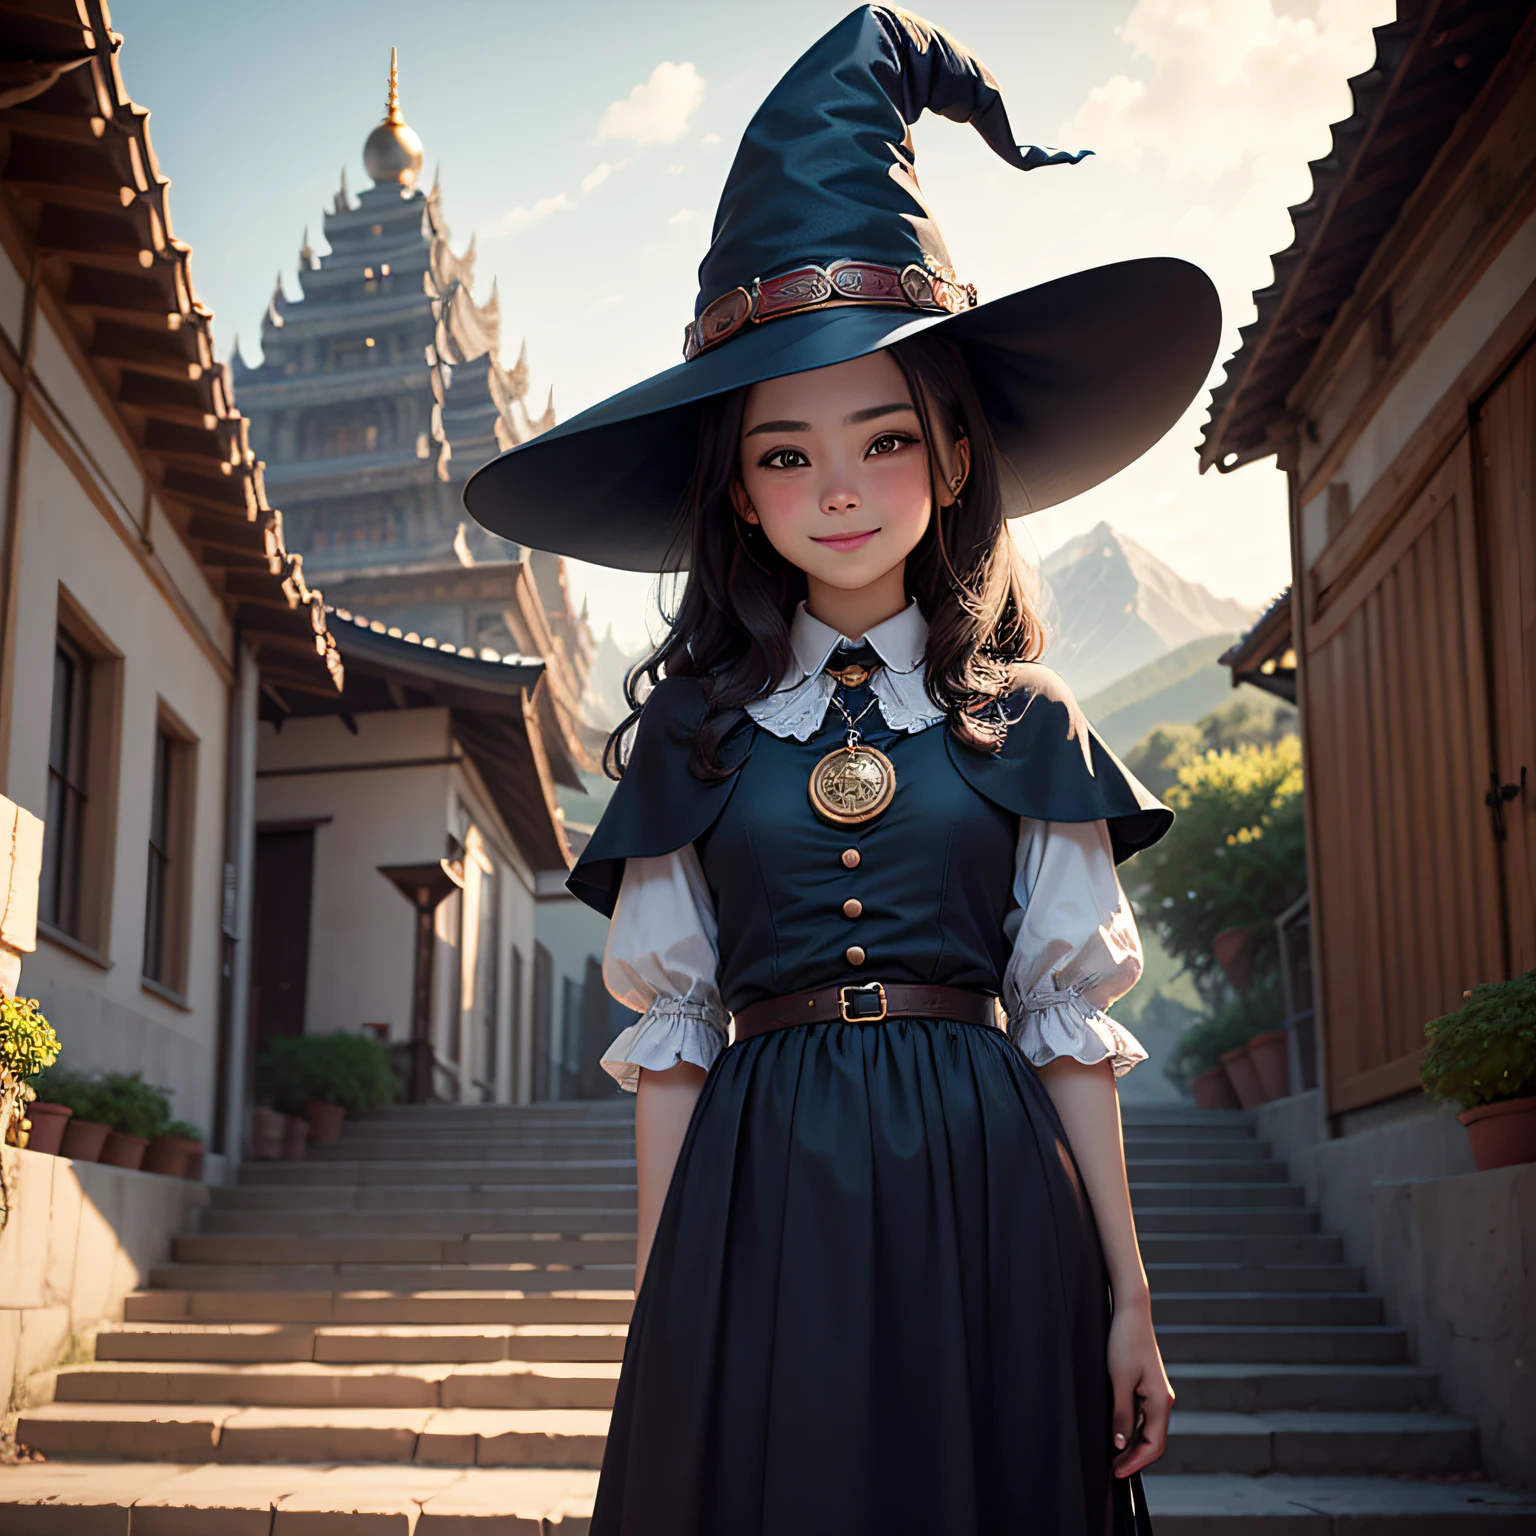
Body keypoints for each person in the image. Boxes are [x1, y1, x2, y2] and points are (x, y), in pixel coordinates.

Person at [464, 9, 1220, 1533]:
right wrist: (661, 1307)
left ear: (951, 455)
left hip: (993, 1185)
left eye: (882, 439)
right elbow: (674, 1043)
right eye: (787, 454)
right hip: (759, 1188)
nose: (841, 489)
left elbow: (1068, 1029)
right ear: (737, 494)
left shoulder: (1033, 723)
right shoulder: (692, 739)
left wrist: (1131, 1298)